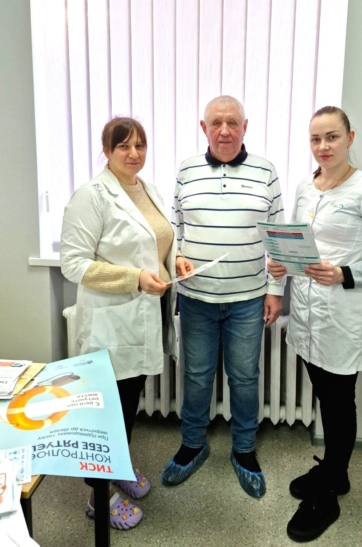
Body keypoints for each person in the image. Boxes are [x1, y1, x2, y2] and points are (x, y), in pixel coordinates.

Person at [268, 106, 362, 542]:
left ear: (350, 137)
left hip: (341, 317)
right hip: (306, 315)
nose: (323, 146)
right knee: (323, 398)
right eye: (315, 139)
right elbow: (302, 248)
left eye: (331, 137)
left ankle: (329, 491)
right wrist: (282, 265)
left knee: (338, 404)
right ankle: (336, 472)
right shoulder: (304, 187)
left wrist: (345, 273)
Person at [60, 117, 193, 530]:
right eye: (123, 146)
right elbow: (74, 264)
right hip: (111, 323)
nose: (133, 153)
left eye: (140, 145)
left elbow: (158, 242)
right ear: (106, 150)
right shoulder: (91, 196)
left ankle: (116, 467)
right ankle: (97, 496)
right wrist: (134, 278)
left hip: (144, 317)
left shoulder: (147, 189)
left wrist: (176, 260)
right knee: (106, 414)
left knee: (127, 403)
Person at [160, 95, 285, 498]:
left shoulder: (266, 171)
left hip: (248, 298)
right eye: (216, 123)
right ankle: (192, 444)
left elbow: (278, 238)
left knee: (245, 378)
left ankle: (244, 449)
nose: (225, 130)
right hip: (196, 297)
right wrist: (177, 256)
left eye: (233, 122)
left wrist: (275, 290)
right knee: (196, 376)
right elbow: (175, 228)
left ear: (245, 127)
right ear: (204, 128)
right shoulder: (187, 170)